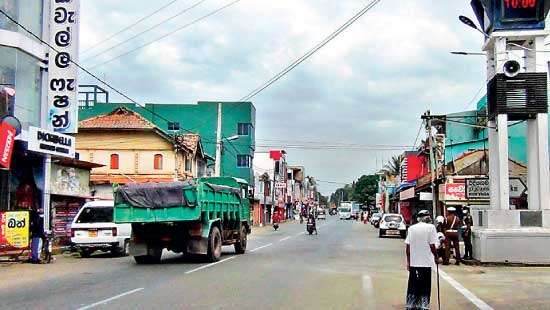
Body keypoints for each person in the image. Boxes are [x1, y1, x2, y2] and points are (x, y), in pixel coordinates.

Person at [405, 210, 438, 310]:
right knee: (425, 284)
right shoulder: (431, 228)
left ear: (418, 218)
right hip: (426, 262)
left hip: (414, 262)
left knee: (413, 284)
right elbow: (432, 245)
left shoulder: (411, 228)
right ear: (427, 218)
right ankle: (423, 305)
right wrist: (436, 255)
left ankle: (411, 304)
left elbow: (408, 246)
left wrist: (408, 261)